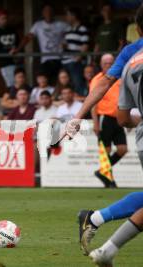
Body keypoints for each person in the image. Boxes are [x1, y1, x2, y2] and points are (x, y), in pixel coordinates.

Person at [79, 46, 143, 266]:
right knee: (105, 153)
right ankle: (104, 174)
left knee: (121, 151)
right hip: (106, 118)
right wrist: (92, 120)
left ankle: (96, 220)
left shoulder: (128, 65)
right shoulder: (103, 76)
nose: (108, 66)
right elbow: (98, 98)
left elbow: (124, 117)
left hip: (131, 126)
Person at [65, 5, 143, 138]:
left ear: (138, 30)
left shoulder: (129, 56)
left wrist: (77, 117)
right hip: (107, 118)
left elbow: (123, 119)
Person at [90, 54, 127, 188]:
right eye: (106, 63)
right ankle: (109, 180)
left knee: (123, 149)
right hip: (105, 118)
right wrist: (95, 122)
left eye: (111, 62)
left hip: (118, 117)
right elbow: (93, 102)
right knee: (106, 150)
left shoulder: (119, 78)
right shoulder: (97, 80)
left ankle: (102, 172)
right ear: (101, 64)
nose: (109, 65)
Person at [12, 4, 69, 84]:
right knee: (43, 81)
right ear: (43, 13)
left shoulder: (62, 25)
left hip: (60, 59)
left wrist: (65, 43)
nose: (48, 13)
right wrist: (18, 49)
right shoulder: (38, 25)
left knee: (60, 82)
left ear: (53, 12)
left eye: (50, 11)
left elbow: (71, 35)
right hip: (45, 60)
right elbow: (28, 37)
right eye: (46, 11)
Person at [62, 7, 89, 96]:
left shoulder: (82, 29)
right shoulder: (68, 30)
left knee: (78, 84)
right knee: (67, 84)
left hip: (75, 62)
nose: (66, 17)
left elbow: (85, 45)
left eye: (68, 15)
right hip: (65, 61)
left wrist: (78, 58)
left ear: (74, 16)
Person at [0, 9, 19, 87]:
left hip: (17, 60)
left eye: (6, 18)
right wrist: (7, 53)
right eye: (2, 18)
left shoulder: (12, 29)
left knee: (20, 82)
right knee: (12, 85)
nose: (4, 20)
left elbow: (17, 43)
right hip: (5, 62)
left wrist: (17, 50)